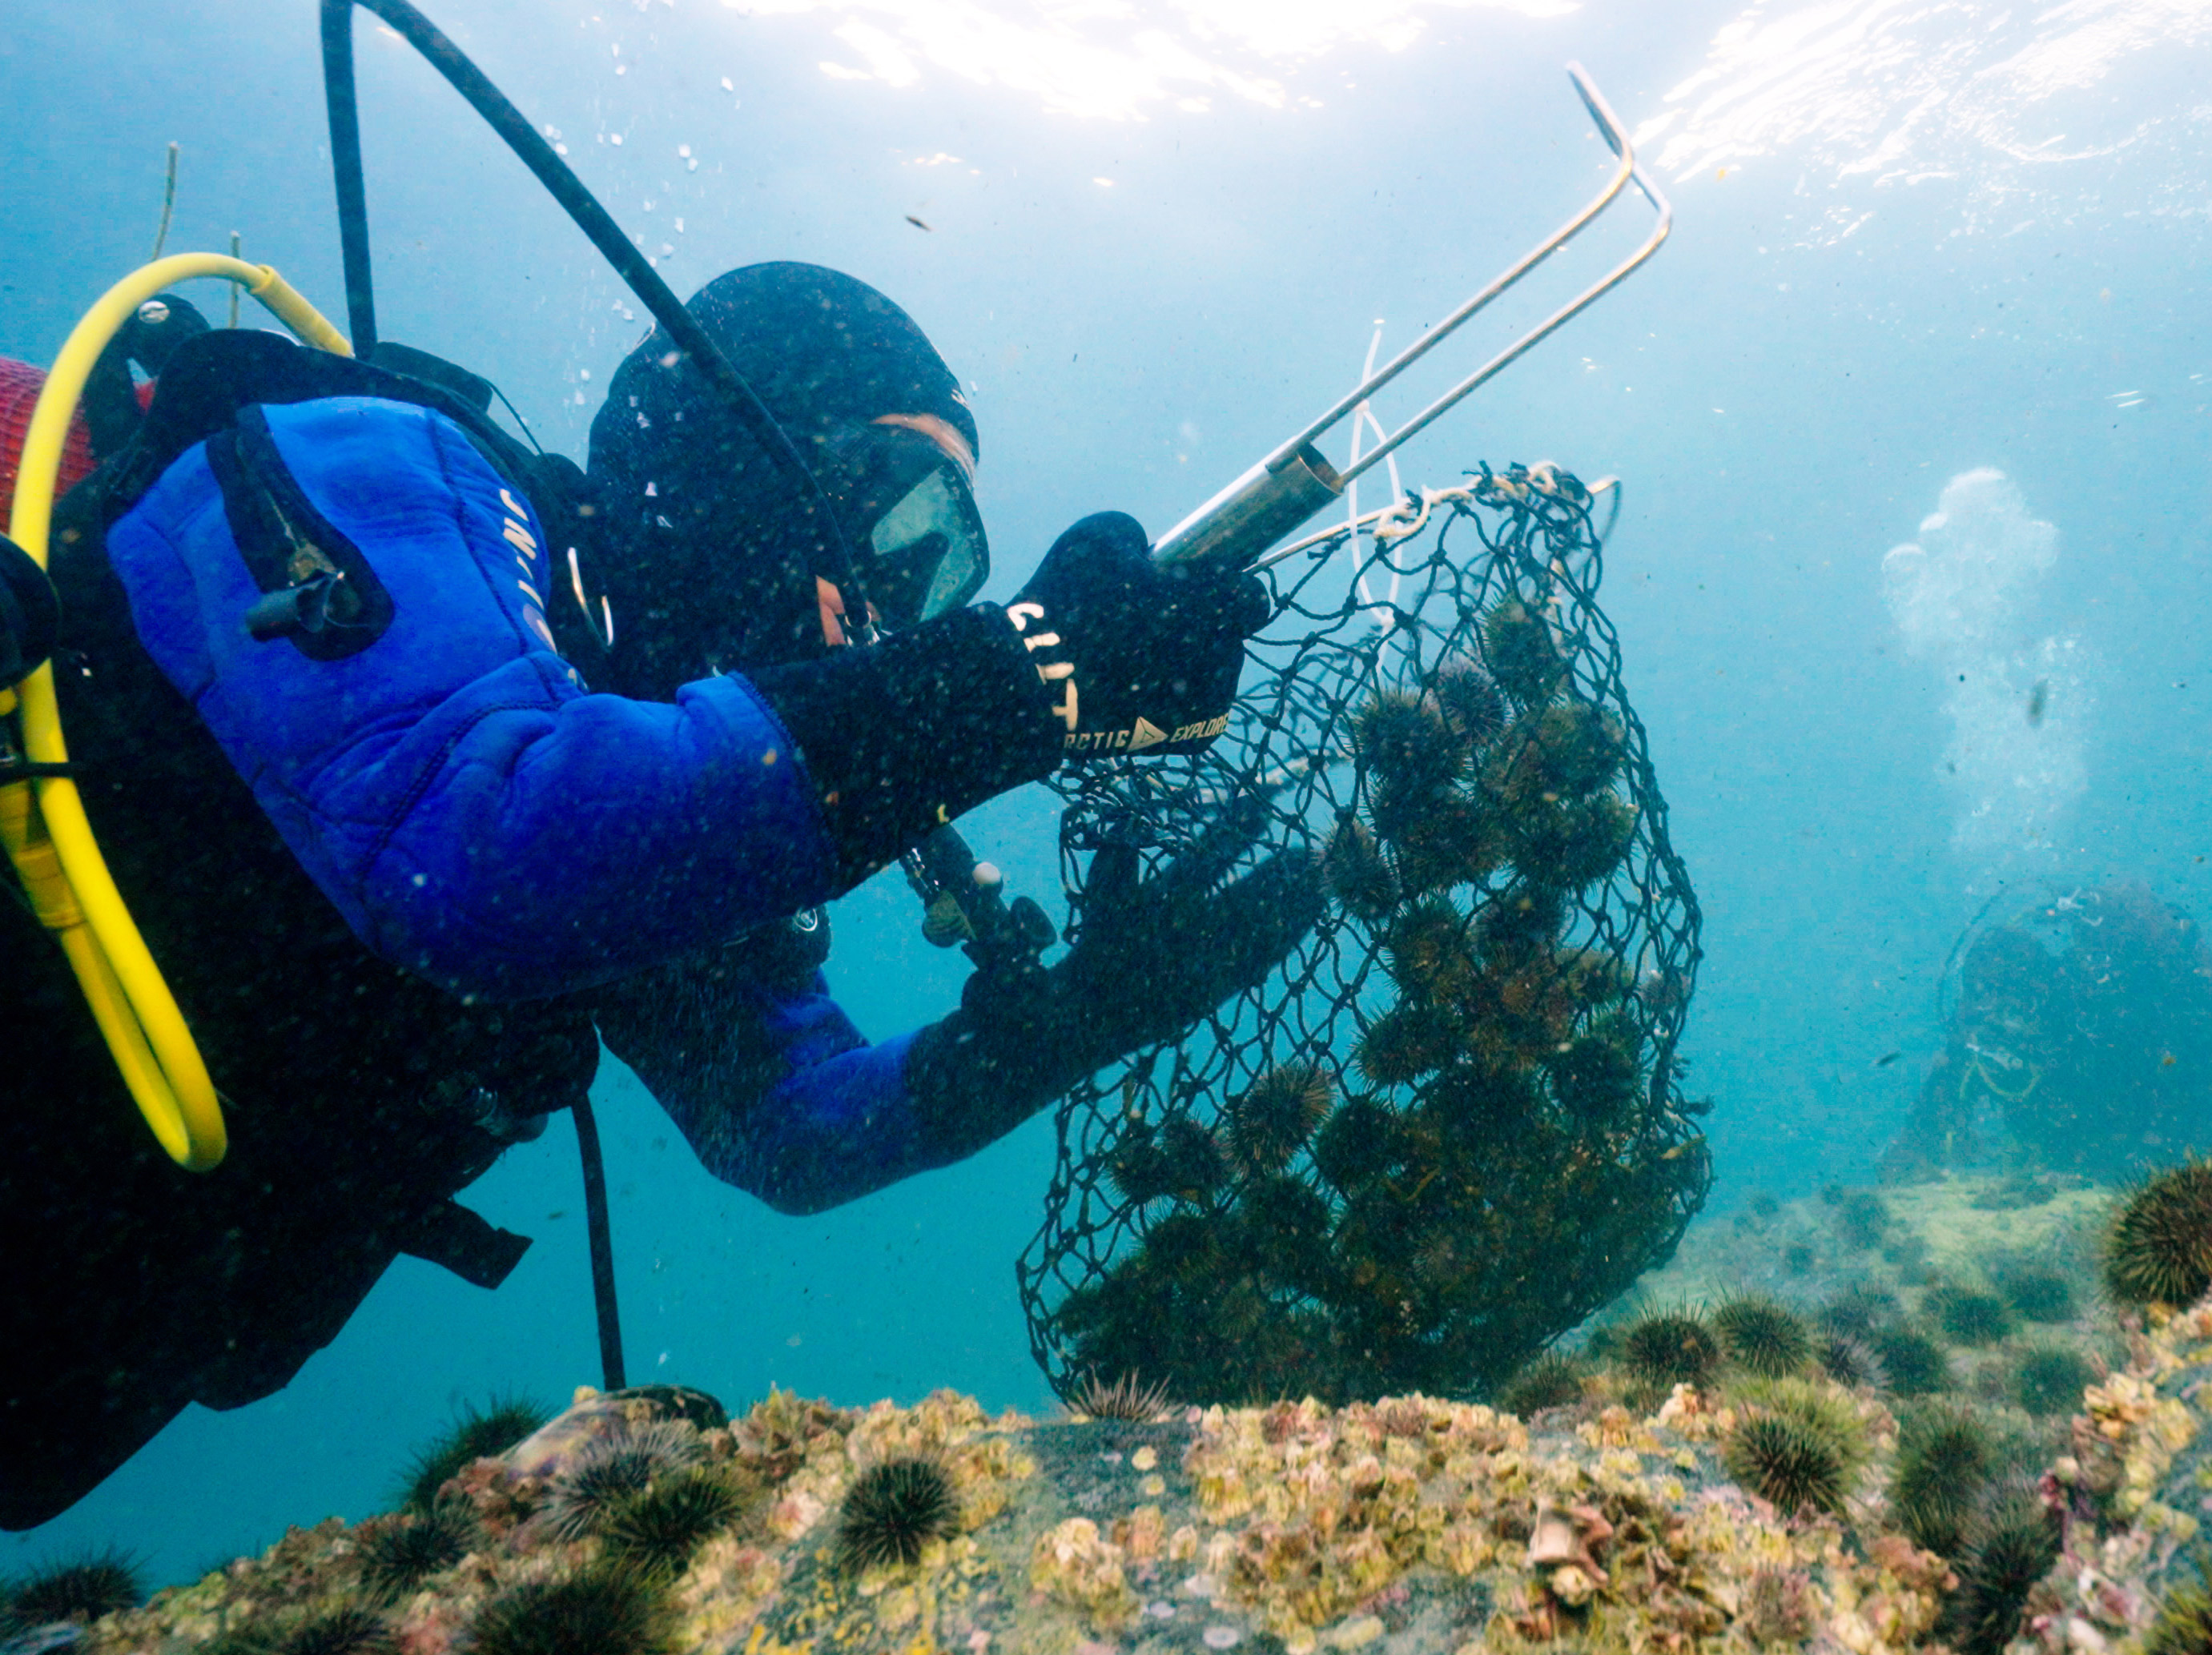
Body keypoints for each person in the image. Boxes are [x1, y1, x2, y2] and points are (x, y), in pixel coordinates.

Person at [0, 262, 1320, 1528]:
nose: (883, 603)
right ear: (729, 453)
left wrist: (1065, 1024)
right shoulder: (386, 458)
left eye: (937, 566)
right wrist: (1024, 677)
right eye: (891, 513)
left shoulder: (640, 773)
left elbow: (788, 1125)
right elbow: (477, 851)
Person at [1885, 879, 2212, 1179]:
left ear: (2048, 983)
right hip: (2103, 1176)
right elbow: (1918, 1141)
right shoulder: (1978, 1046)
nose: (2011, 1018)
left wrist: (2153, 928)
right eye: (1992, 1000)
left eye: (2023, 998)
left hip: (2204, 1150)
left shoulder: (2095, 1002)